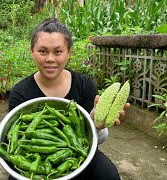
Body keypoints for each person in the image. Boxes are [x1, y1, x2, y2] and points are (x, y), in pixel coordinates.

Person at [8, 18, 130, 180]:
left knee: (108, 175)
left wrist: (96, 124)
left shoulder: (84, 85)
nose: (50, 58)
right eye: (42, 51)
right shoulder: (20, 92)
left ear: (68, 53)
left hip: (77, 151)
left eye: (58, 52)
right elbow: (16, 137)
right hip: (35, 157)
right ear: (32, 52)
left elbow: (94, 141)